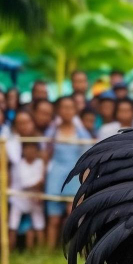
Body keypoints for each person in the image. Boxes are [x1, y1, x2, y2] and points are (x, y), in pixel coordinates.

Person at [43, 96, 93, 248]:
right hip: (55, 178)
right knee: (53, 219)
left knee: (76, 216)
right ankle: (48, 251)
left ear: (75, 110)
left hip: (74, 178)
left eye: (70, 107)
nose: (67, 111)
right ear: (58, 110)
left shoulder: (82, 133)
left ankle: (77, 250)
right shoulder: (51, 132)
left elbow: (88, 159)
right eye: (63, 107)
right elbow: (45, 155)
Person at [9, 142, 46, 250]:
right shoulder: (18, 164)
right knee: (12, 226)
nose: (30, 152)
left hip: (35, 199)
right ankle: (9, 253)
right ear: (23, 151)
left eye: (33, 149)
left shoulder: (40, 163)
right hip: (18, 199)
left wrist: (39, 188)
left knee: (39, 226)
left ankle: (42, 252)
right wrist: (39, 183)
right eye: (27, 149)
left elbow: (41, 181)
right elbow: (26, 184)